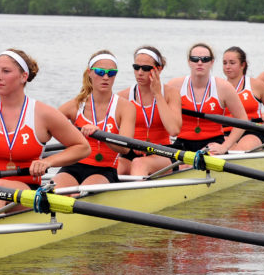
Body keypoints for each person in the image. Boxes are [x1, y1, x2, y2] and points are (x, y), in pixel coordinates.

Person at [0, 49, 90, 219]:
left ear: (23, 76)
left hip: (25, 191)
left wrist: (47, 162)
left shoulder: (43, 113)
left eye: (6, 71)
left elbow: (82, 147)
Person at [53, 50, 136, 188]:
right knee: (53, 192)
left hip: (105, 170)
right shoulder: (76, 105)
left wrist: (101, 134)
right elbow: (45, 127)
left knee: (84, 192)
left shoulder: (125, 107)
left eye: (111, 73)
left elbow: (125, 149)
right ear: (90, 72)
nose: (105, 77)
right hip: (73, 166)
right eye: (99, 72)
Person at [166, 42, 248, 155]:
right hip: (182, 143)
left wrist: (225, 146)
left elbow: (242, 119)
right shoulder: (174, 85)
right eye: (195, 59)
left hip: (212, 144)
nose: (200, 63)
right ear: (189, 62)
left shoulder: (223, 87)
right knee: (183, 166)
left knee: (192, 164)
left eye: (205, 59)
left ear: (212, 62)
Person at [116, 45, 182, 176]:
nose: (140, 72)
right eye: (136, 67)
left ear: (159, 69)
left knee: (139, 164)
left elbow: (174, 130)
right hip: (131, 152)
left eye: (146, 68)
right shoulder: (123, 97)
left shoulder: (170, 94)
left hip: (162, 153)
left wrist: (157, 94)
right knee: (114, 167)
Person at [221, 46, 264, 150]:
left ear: (242, 65)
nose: (227, 67)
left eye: (232, 63)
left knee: (242, 149)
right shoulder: (218, 86)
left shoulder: (256, 85)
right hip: (226, 132)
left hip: (251, 131)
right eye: (225, 63)